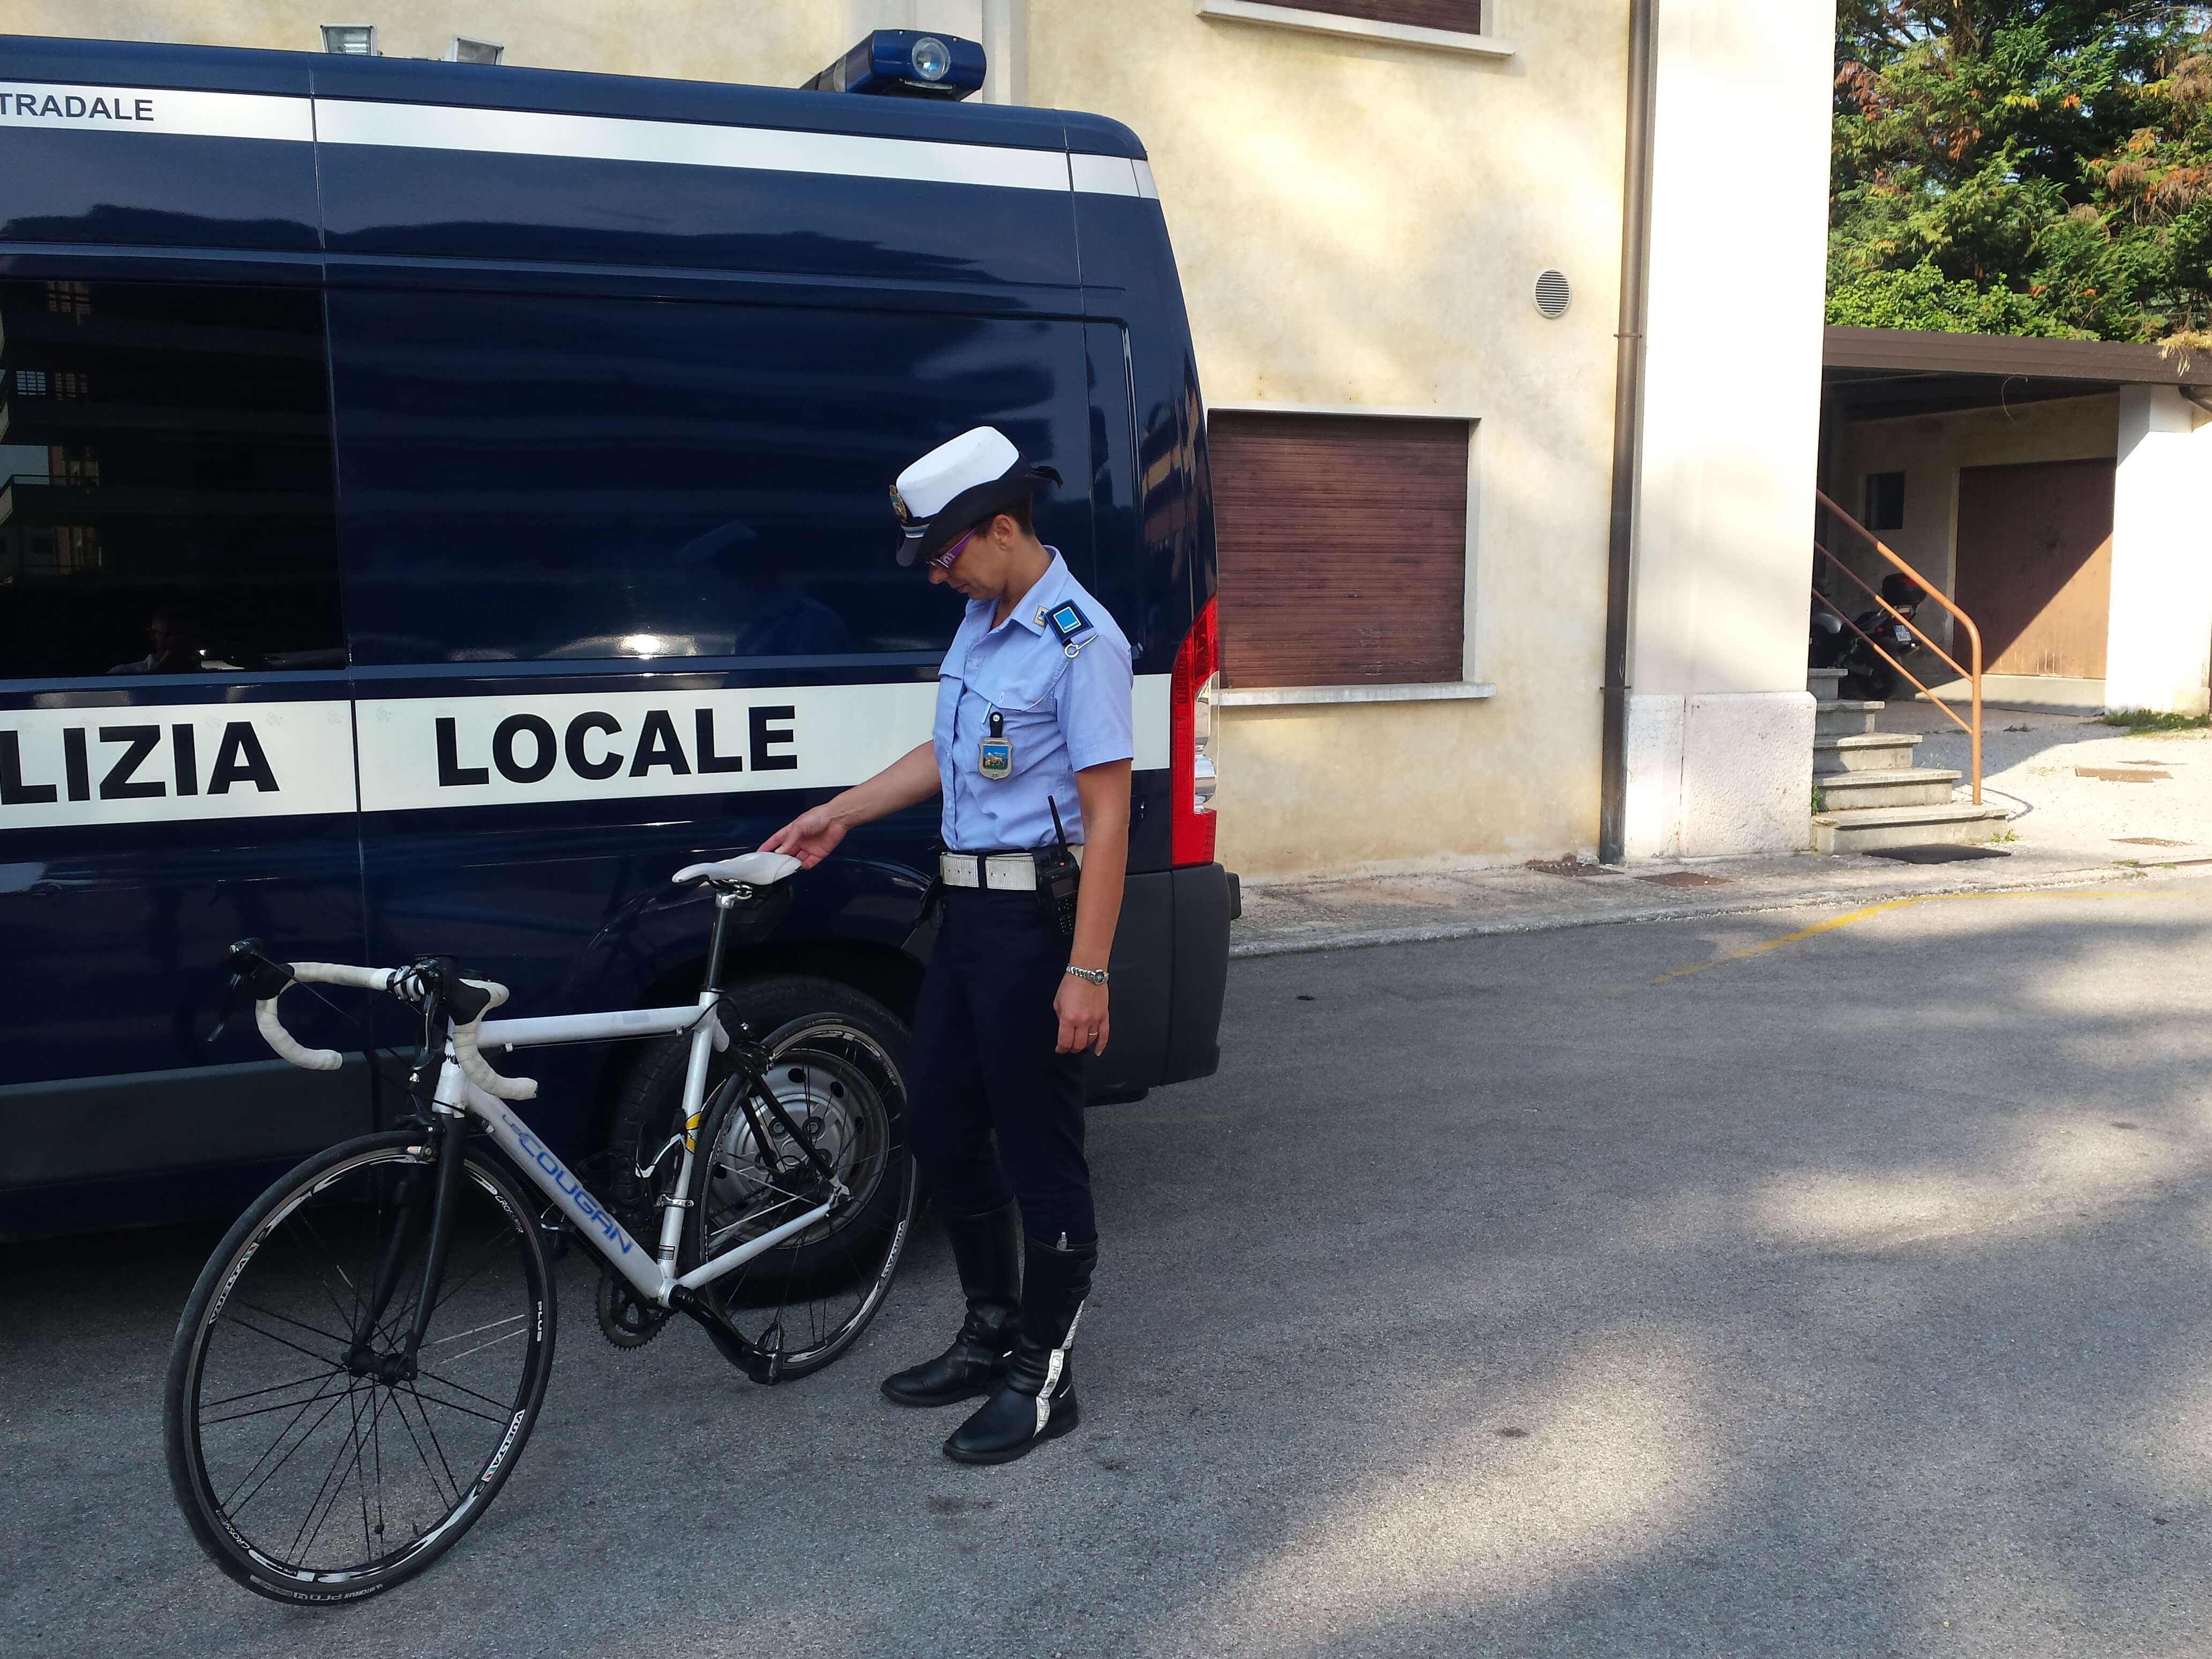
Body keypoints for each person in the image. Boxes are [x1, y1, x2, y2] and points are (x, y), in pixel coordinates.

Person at [763, 425, 1131, 1465]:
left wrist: (1088, 971)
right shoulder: (983, 619)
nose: (935, 574)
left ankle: (1042, 1377)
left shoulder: (1080, 642)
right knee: (942, 1123)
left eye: (944, 553)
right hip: (965, 918)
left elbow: (1110, 818)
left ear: (1002, 527)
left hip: (1036, 928)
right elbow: (948, 749)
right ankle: (989, 1332)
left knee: (1039, 1147)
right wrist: (841, 811)